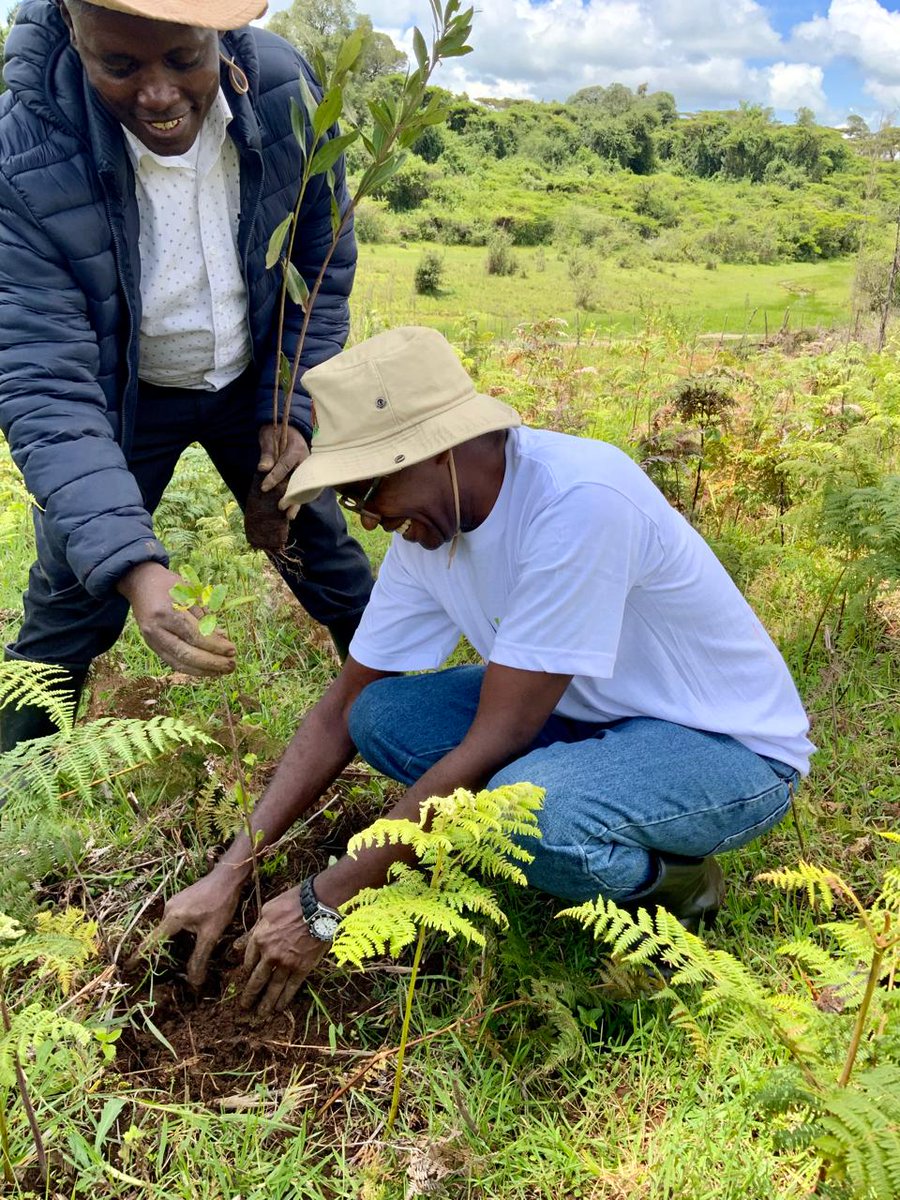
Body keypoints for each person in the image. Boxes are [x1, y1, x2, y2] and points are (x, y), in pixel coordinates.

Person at [152, 325, 815, 1018]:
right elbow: (342, 703)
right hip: (592, 715)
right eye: (353, 500)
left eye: (370, 488)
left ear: (439, 451)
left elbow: (497, 737)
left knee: (534, 813)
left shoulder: (578, 500)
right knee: (380, 716)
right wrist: (231, 871)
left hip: (723, 750)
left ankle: (676, 883)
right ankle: (564, 805)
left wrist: (326, 901)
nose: (370, 521)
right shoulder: (430, 533)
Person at [0, 0, 374, 751]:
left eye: (182, 59)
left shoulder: (285, 89)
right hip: (118, 405)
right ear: (75, 32)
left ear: (220, 36)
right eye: (120, 66)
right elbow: (42, 378)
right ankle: (19, 787)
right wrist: (135, 568)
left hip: (249, 384)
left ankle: (411, 724)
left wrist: (287, 405)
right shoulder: (24, 153)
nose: (160, 94)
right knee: (75, 593)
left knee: (325, 554)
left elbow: (318, 263)